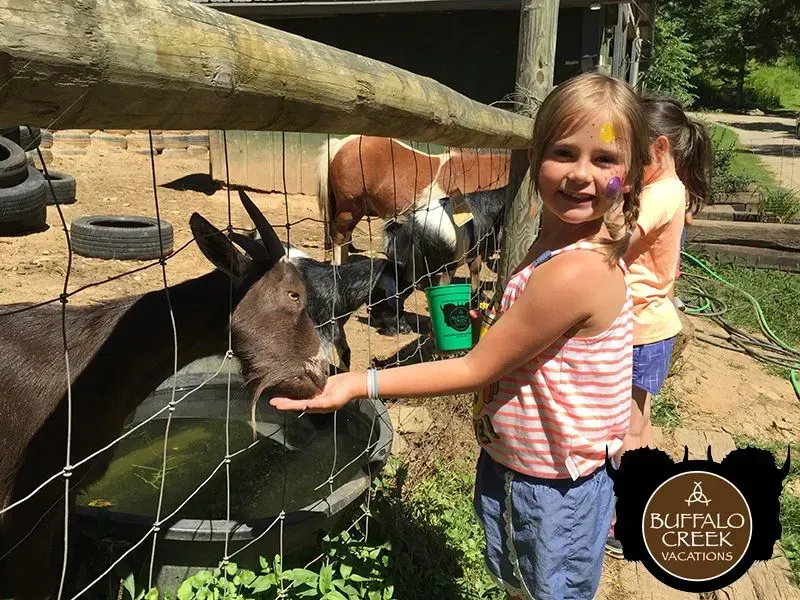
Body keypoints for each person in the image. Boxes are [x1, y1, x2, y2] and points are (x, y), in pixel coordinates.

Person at [271, 72, 651, 600]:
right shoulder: (557, 243)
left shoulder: (574, 271)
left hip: (548, 487)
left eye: (604, 160)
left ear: (630, 176)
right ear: (535, 158)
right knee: (522, 584)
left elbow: (476, 368)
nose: (581, 175)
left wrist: (358, 384)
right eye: (564, 153)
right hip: (535, 469)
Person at [605, 96, 713, 557]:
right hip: (648, 325)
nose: (624, 166)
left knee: (626, 430)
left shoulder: (663, 193)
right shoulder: (665, 187)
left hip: (642, 329)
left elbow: (618, 241)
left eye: (632, 154)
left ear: (660, 146)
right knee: (639, 426)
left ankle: (623, 521)